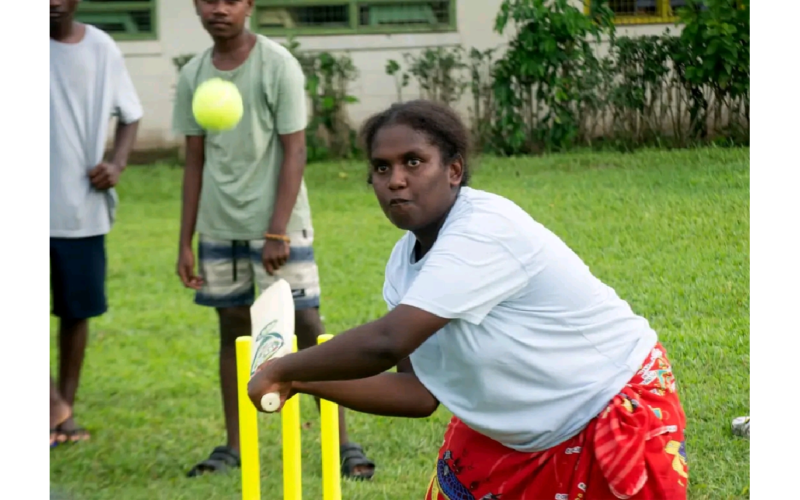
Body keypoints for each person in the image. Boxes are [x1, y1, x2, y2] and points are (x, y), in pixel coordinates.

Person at [247, 100, 690, 499]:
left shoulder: (483, 228)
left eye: (413, 162)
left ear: (454, 170)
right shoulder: (405, 263)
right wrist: (297, 382)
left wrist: (284, 366)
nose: (396, 180)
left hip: (609, 407)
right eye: (382, 168)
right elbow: (418, 392)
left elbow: (387, 341)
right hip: (519, 427)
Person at [171, 0, 375, 479]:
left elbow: (296, 149)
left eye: (230, 0)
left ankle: (343, 442)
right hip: (219, 225)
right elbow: (194, 161)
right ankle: (234, 446)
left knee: (306, 326)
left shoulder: (276, 63)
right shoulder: (193, 74)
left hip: (279, 224)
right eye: (208, 0)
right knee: (232, 332)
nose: (219, 9)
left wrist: (277, 229)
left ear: (249, 6)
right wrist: (185, 239)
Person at [50, 0, 143, 445]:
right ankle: (50, 406)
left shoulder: (103, 48)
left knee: (76, 313)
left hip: (80, 211)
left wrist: (117, 163)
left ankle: (63, 413)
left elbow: (130, 114)